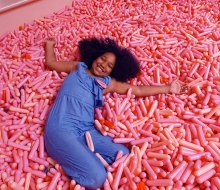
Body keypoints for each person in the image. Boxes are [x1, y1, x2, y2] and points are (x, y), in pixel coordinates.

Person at [44, 37, 187, 190]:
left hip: (86, 130)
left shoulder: (107, 83)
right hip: (62, 128)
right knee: (97, 178)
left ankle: (81, 160)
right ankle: (59, 167)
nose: (103, 65)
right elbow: (52, 64)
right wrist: (50, 45)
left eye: (109, 65)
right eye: (102, 59)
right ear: (94, 57)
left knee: (123, 154)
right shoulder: (77, 67)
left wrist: (167, 88)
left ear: (113, 71)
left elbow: (137, 90)